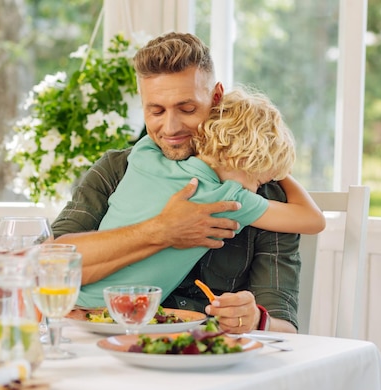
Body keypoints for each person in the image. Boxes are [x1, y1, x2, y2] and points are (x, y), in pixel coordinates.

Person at [52, 32, 308, 333]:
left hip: (211, 355)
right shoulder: (119, 168)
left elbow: (285, 326)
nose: (170, 128)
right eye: (156, 110)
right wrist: (162, 230)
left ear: (215, 98)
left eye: (186, 109)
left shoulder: (264, 193)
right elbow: (51, 265)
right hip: (106, 342)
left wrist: (255, 319)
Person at [76, 87, 325, 307]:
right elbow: (313, 220)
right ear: (248, 160)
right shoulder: (227, 199)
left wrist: (265, 162)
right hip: (115, 314)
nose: (257, 189)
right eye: (259, 181)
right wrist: (280, 172)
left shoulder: (145, 154)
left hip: (72, 297)